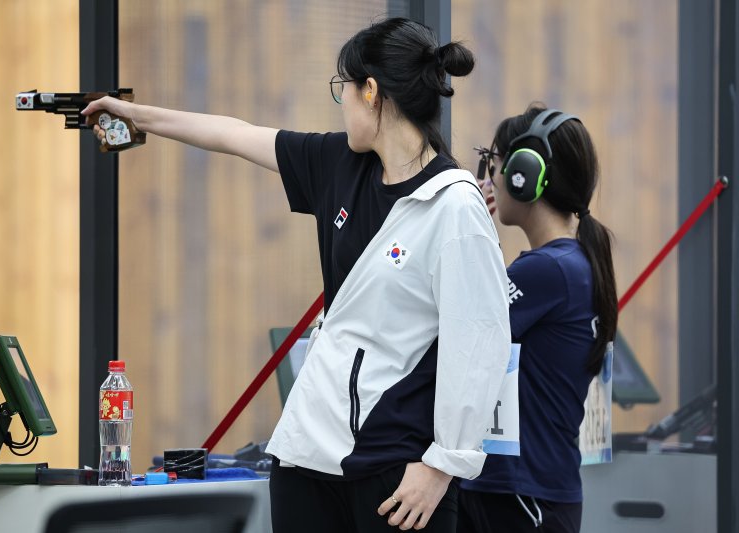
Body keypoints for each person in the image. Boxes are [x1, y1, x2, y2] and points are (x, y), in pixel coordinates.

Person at [83, 17, 511, 532]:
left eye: (344, 89)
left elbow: (479, 344)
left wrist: (444, 465)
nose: (343, 102)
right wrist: (134, 114)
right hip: (305, 458)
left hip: (398, 475)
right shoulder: (338, 162)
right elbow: (232, 133)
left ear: (371, 92)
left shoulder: (453, 204)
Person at [457, 104, 618, 533]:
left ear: (523, 173)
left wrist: (466, 226)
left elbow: (457, 331)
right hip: (518, 491)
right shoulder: (569, 264)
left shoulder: (549, 270)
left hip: (520, 498)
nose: (489, 177)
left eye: (492, 164)